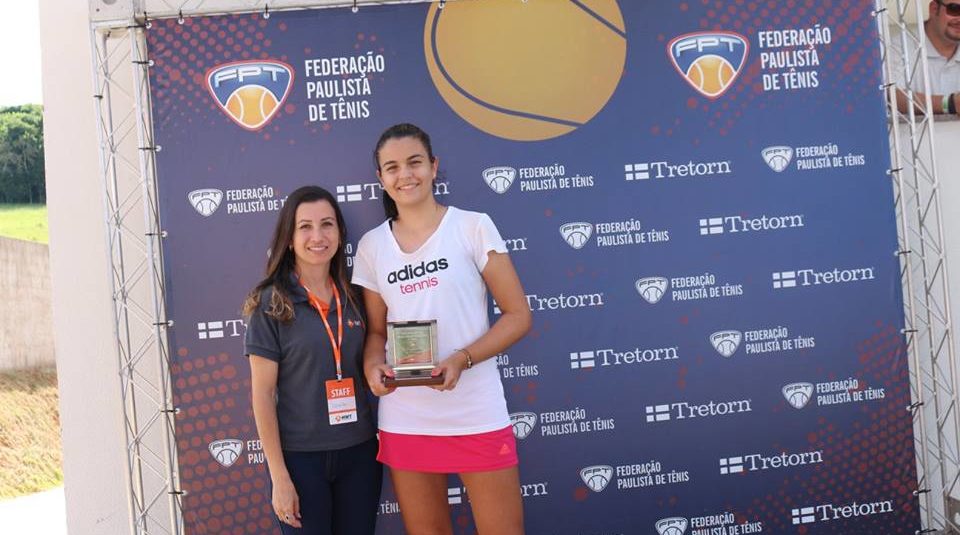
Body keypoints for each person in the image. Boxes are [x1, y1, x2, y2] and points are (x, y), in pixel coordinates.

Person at [352, 123, 532, 535]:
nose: (405, 175)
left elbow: (518, 315)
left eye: (414, 162)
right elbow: (377, 332)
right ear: (381, 178)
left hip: (476, 412)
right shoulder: (372, 246)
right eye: (392, 167)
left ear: (433, 167)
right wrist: (372, 366)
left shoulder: (472, 226)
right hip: (407, 418)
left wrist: (461, 360)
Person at [242, 185, 381, 535]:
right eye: (305, 227)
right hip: (300, 460)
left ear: (340, 233)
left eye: (327, 224)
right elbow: (262, 395)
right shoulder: (271, 303)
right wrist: (279, 477)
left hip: (360, 453)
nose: (317, 236)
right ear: (289, 239)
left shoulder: (356, 296)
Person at [893, 0, 960, 114]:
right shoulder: (898, 46)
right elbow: (892, 96)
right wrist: (949, 104)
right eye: (954, 9)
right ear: (934, 9)